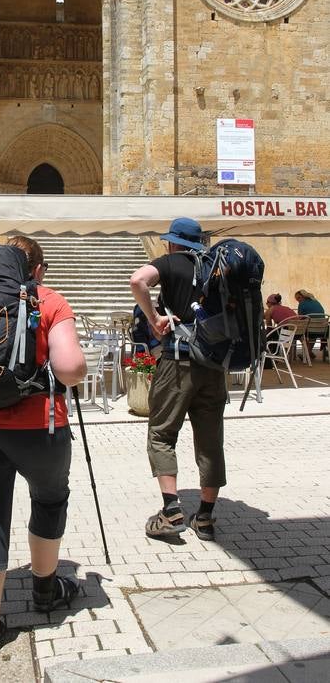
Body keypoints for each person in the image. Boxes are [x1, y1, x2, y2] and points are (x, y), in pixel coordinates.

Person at [0, 234, 87, 660]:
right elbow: (70, 369)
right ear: (37, 270)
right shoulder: (49, 300)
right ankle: (45, 592)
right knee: (49, 499)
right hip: (39, 427)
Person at [130, 217, 226, 543]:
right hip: (214, 366)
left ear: (173, 243)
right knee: (210, 441)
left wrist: (154, 318)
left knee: (161, 433)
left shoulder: (171, 262)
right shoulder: (216, 265)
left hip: (178, 361)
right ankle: (206, 519)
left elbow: (137, 280)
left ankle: (171, 512)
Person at [294, 289, 327, 359]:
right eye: (296, 299)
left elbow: (300, 318)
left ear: (304, 296)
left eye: (299, 298)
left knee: (299, 332)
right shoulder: (315, 301)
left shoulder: (302, 304)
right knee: (312, 334)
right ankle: (309, 352)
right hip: (322, 329)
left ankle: (307, 353)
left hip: (310, 329)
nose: (298, 300)